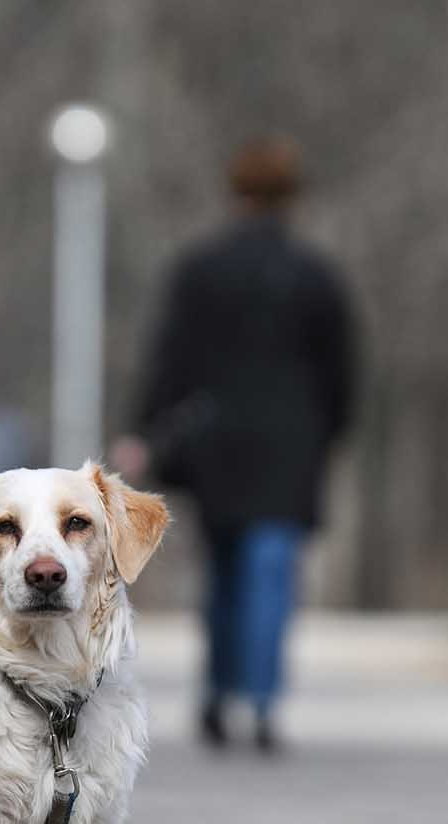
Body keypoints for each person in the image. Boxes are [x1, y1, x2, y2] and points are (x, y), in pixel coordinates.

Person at [114, 137, 356, 754]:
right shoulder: (317, 277)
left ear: (235, 193)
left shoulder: (200, 270)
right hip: (290, 445)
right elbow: (343, 371)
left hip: (218, 443)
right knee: (272, 572)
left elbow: (170, 359)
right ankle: (265, 699)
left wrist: (141, 429)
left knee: (223, 572)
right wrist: (333, 433)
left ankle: (220, 691)